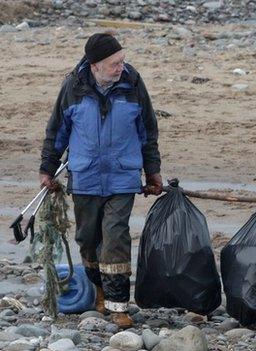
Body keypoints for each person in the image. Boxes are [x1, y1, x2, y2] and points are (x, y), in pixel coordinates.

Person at [39, 33, 162, 329]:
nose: (121, 67)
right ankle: (100, 293)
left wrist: (152, 170)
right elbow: (57, 131)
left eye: (121, 61)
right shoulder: (73, 87)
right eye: (113, 64)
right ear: (94, 66)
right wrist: (47, 169)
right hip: (85, 177)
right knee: (88, 239)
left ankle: (119, 307)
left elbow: (147, 129)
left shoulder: (132, 83)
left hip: (122, 176)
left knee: (115, 235)